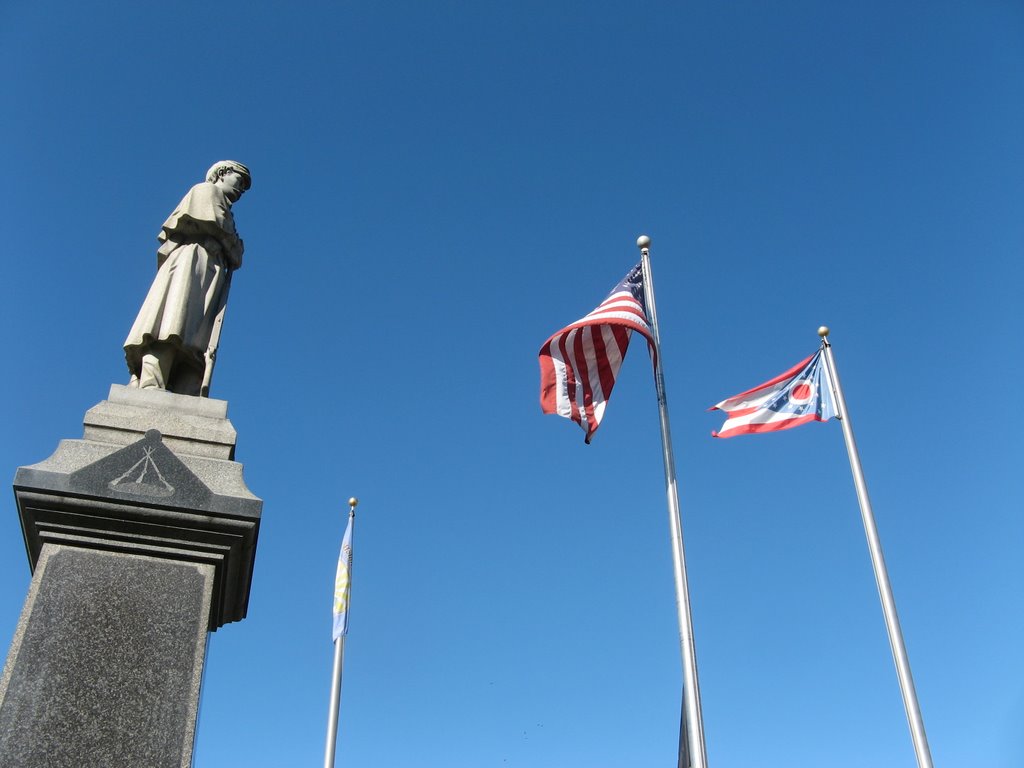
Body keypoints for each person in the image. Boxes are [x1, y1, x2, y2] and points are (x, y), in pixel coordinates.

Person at [124, 161, 251, 395]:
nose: (241, 189)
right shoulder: (206, 191)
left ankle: (184, 388)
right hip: (192, 261)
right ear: (222, 174)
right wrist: (232, 244)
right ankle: (151, 381)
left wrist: (231, 247)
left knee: (196, 336)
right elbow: (216, 226)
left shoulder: (225, 210)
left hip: (211, 269)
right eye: (239, 180)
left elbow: (234, 251)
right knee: (173, 323)